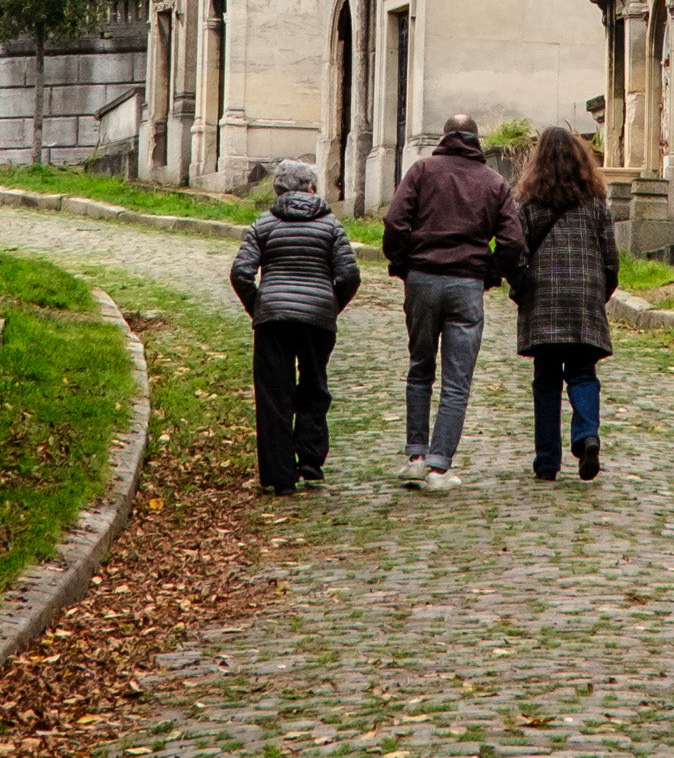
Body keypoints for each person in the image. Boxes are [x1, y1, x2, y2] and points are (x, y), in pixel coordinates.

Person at [380, 109, 516, 494]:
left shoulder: (422, 171)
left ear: (445, 137)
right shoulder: (494, 182)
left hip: (422, 280)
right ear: (477, 142)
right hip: (466, 284)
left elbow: (395, 222)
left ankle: (415, 457)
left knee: (420, 367)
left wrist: (402, 262)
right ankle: (440, 465)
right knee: (457, 380)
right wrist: (492, 273)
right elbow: (512, 241)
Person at [226, 159, 361, 494]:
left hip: (273, 318)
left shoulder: (263, 223)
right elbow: (349, 275)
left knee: (274, 395)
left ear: (277, 190)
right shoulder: (331, 225)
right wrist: (330, 307)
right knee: (314, 386)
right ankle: (311, 461)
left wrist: (258, 307)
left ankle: (280, 475)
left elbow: (241, 273)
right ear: (311, 187)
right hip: (317, 318)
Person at [512, 121, 619, 483]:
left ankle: (546, 462)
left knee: (545, 381)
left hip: (543, 297)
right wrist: (598, 294)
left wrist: (519, 289)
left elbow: (517, 253)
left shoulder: (527, 203)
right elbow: (611, 259)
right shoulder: (595, 203)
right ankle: (587, 436)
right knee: (583, 373)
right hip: (585, 296)